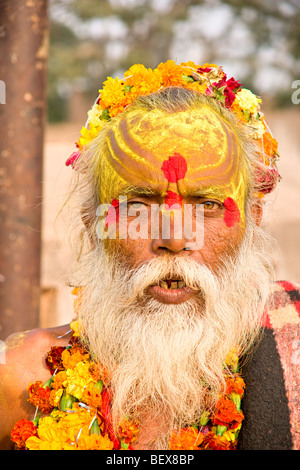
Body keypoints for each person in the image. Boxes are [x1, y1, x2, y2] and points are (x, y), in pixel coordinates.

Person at [0, 61, 299, 451]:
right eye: (138, 204)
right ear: (93, 225)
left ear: (251, 223)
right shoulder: (23, 377)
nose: (174, 239)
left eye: (206, 204)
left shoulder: (289, 340)